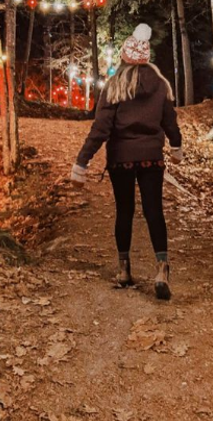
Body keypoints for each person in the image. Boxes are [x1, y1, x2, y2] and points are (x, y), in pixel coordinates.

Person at [70, 23, 183, 300]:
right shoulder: (160, 84)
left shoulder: (114, 86)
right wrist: (177, 146)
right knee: (154, 210)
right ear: (146, 57)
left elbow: (101, 129)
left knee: (124, 211)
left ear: (124, 56)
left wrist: (81, 163)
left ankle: (124, 269)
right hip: (151, 159)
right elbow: (170, 121)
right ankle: (162, 267)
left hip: (121, 158)